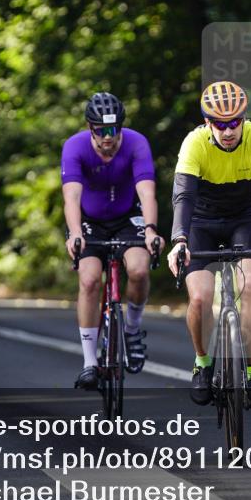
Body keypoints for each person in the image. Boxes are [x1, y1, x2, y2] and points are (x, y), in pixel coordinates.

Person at [167, 80, 251, 408]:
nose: (228, 130)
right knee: (202, 297)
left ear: (244, 119)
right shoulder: (194, 143)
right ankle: (202, 363)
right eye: (220, 124)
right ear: (208, 123)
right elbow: (184, 196)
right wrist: (179, 240)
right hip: (201, 221)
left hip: (243, 219)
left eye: (235, 122)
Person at [63, 92, 164, 390]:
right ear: (90, 127)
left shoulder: (136, 143)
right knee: (90, 279)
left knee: (139, 269)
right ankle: (88, 362)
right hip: (89, 221)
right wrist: (76, 233)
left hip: (126, 217)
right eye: (101, 131)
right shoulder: (75, 147)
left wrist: (150, 229)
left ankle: (131, 330)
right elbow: (71, 197)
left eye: (114, 129)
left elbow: (146, 192)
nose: (108, 137)